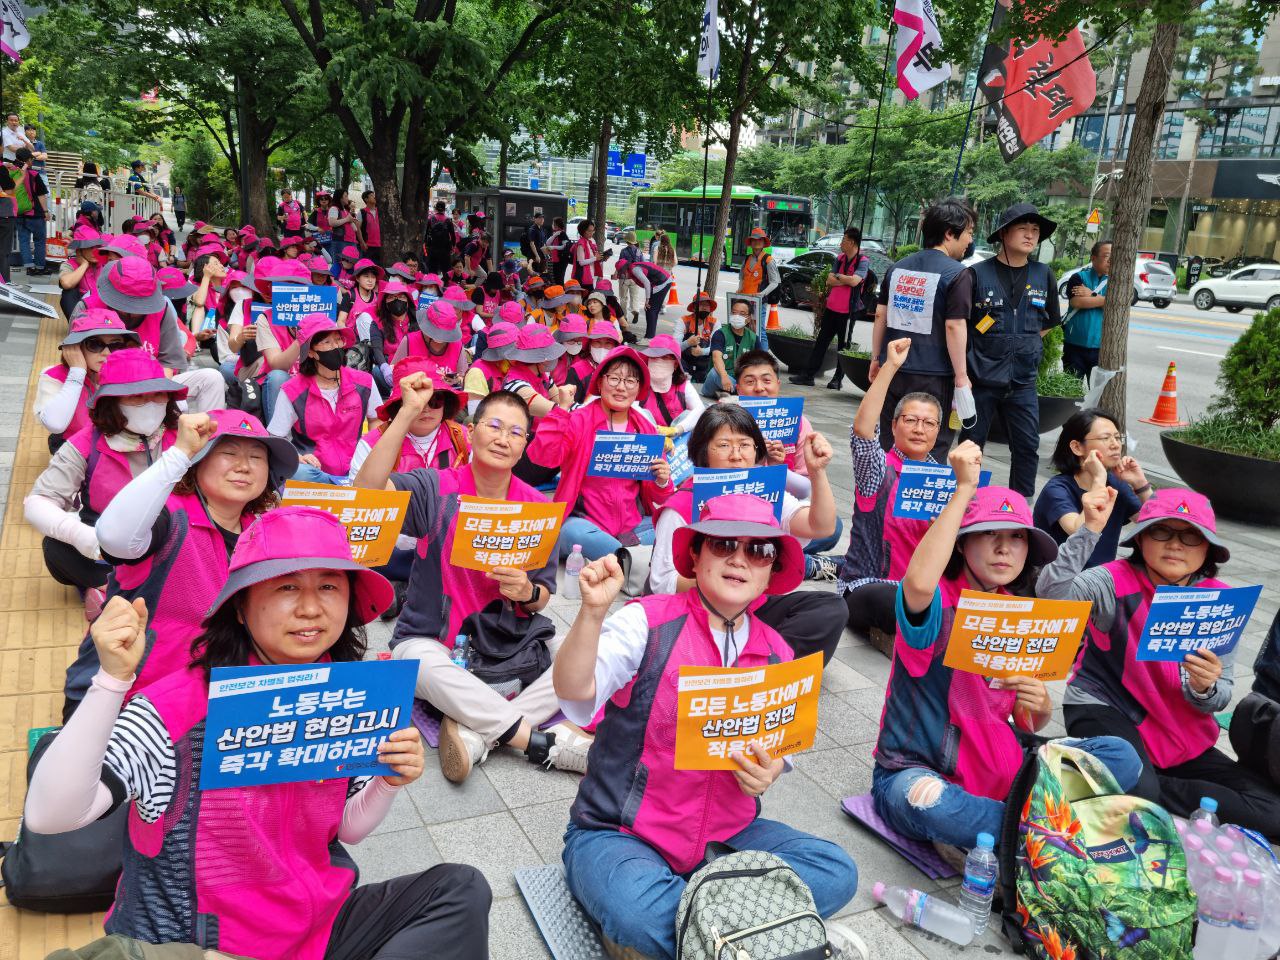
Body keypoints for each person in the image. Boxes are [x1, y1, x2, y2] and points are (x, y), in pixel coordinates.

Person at [25, 506, 492, 960]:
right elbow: (52, 816)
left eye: (329, 585)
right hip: (199, 947)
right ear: (241, 608)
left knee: (460, 889)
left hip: (312, 928)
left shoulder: (347, 694)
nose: (311, 607)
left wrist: (387, 782)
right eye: (287, 586)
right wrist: (111, 682)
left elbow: (346, 830)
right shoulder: (178, 709)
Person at [554, 494, 860, 960]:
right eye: (723, 544)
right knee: (638, 911)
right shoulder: (647, 623)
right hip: (620, 834)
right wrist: (592, 613)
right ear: (695, 555)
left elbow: (780, 748)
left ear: (771, 571)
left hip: (727, 840)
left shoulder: (778, 650)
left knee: (837, 871)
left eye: (759, 550)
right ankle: (760, 934)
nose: (740, 559)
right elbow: (575, 694)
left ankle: (703, 936)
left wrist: (770, 771)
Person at [871, 441, 1143, 850]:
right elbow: (918, 582)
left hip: (1009, 770)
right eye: (989, 535)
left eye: (1016, 537)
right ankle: (1055, 833)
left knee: (1122, 756)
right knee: (934, 807)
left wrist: (1038, 703)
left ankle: (1028, 829)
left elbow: (1027, 717)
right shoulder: (939, 601)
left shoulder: (1020, 613)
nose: (1004, 547)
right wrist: (963, 489)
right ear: (962, 543)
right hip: (917, 771)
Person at [353, 383, 591, 783]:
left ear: (525, 446)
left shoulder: (538, 506)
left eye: (516, 433)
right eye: (494, 426)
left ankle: (477, 735)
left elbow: (543, 595)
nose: (503, 439)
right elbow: (366, 493)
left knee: (581, 664)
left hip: (508, 640)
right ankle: (538, 743)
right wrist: (408, 412)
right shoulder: (435, 487)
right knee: (414, 663)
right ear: (472, 430)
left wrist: (526, 593)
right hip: (436, 641)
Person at [1038, 487, 1280, 839]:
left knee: (1273, 813)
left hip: (1180, 733)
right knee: (1142, 790)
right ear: (1141, 538)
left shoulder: (1221, 601)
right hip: (1106, 708)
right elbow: (1051, 596)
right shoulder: (1113, 579)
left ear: (1209, 548)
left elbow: (1220, 696)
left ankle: (1126, 784)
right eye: (1161, 531)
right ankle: (1134, 785)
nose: (1175, 544)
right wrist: (1088, 530)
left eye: (1191, 536)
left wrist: (1204, 687)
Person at [61, 409, 297, 716]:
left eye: (257, 457)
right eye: (228, 452)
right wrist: (179, 453)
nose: (244, 466)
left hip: (212, 698)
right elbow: (114, 537)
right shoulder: (169, 516)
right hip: (129, 702)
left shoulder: (263, 532)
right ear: (197, 461)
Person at [650, 405, 848, 664]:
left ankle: (759, 668)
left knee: (830, 609)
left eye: (745, 445)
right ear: (702, 453)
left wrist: (817, 472)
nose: (736, 456)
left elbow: (820, 527)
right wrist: (726, 581)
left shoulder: (763, 494)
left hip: (752, 606)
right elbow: (661, 584)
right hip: (699, 612)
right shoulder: (681, 506)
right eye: (723, 445)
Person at [24, 347, 184, 621]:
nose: (150, 402)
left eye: (157, 393)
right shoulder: (86, 443)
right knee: (56, 548)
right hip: (107, 545)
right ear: (112, 401)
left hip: (172, 536)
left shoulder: (183, 436)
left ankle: (110, 590)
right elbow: (38, 502)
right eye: (136, 396)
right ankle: (124, 587)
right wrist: (83, 537)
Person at [836, 338, 941, 645]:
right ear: (894, 426)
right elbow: (864, 431)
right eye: (910, 420)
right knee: (894, 598)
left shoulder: (945, 483)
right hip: (872, 588)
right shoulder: (879, 470)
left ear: (938, 431)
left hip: (925, 590)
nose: (919, 428)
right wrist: (890, 367)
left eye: (928, 423)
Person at [526, 346, 672, 560]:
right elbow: (543, 456)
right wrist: (561, 411)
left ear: (639, 387)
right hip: (584, 524)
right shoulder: (579, 420)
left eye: (630, 381)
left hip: (632, 527)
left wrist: (662, 480)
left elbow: (661, 495)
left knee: (674, 523)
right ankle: (630, 559)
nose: (621, 388)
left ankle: (619, 558)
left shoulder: (645, 429)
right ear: (601, 381)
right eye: (614, 379)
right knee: (573, 534)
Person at [959, 202, 1061, 497]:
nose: (1030, 236)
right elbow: (960, 324)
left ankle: (1020, 508)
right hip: (982, 377)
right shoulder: (977, 274)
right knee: (971, 443)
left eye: (1035, 230)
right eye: (1023, 229)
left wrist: (1025, 342)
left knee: (1028, 444)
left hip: (1023, 380)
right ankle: (965, 502)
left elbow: (1049, 322)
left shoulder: (1044, 274)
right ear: (1004, 234)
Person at [870, 196, 975, 462]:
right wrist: (961, 376)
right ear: (950, 233)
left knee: (890, 435)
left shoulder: (897, 268)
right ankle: (917, 498)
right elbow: (954, 325)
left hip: (893, 368)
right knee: (930, 442)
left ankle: (886, 493)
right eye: (969, 233)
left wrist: (875, 358)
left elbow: (880, 314)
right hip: (933, 375)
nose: (970, 242)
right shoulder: (957, 274)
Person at [269, 314, 383, 485]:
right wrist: (298, 457)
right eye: (327, 342)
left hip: (357, 468)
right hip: (315, 473)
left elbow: (376, 419)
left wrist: (370, 451)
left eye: (338, 340)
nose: (335, 346)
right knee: (298, 472)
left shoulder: (364, 382)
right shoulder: (293, 390)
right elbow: (277, 439)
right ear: (312, 352)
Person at [1033, 408, 1153, 568]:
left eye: (1118, 438)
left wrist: (1140, 484)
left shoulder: (1116, 484)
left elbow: (1155, 523)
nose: (1115, 445)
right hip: (1057, 581)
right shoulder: (1057, 489)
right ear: (1077, 447)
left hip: (1099, 581)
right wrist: (1099, 478)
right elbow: (1078, 531)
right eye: (1105, 438)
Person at [36, 309, 140, 451]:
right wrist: (76, 373)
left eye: (115, 345)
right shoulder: (53, 375)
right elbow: (55, 424)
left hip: (115, 446)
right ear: (76, 347)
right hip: (72, 448)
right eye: (95, 344)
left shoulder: (128, 373)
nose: (106, 353)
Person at [791, 227, 871, 389]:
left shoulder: (862, 261)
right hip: (832, 307)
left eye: (844, 240)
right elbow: (829, 280)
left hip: (848, 310)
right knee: (821, 342)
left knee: (843, 346)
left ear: (852, 242)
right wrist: (846, 279)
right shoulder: (840, 258)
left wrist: (840, 278)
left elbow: (856, 281)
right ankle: (808, 375)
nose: (841, 243)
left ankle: (837, 380)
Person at [1063, 240, 1111, 380]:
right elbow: (1077, 302)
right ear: (1093, 258)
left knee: (1098, 394)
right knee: (1070, 390)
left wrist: (1091, 294)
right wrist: (1105, 300)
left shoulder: (1117, 282)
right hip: (1074, 345)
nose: (1111, 260)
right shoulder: (1078, 277)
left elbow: (1117, 306)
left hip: (1102, 348)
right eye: (1107, 255)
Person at [394, 298, 468, 385]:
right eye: (437, 331)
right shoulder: (409, 341)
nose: (440, 336)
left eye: (445, 332)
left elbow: (464, 378)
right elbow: (395, 374)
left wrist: (457, 380)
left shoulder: (456, 344)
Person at [638, 335, 702, 435]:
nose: (658, 362)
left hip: (676, 440)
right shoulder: (639, 384)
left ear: (675, 364)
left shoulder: (684, 386)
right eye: (654, 357)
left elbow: (699, 409)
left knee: (689, 415)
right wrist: (654, 430)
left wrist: (677, 429)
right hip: (647, 437)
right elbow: (632, 408)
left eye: (664, 357)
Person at [701, 298, 756, 398]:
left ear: (748, 318)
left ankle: (730, 394)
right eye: (734, 313)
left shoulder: (753, 338)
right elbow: (716, 358)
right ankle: (739, 394)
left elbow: (762, 362)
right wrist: (724, 376)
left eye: (742, 314)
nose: (737, 316)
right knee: (714, 373)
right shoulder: (721, 334)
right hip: (720, 378)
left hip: (740, 381)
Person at [616, 246, 673, 341]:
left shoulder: (634, 269)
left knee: (651, 309)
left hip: (662, 282)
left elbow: (646, 283)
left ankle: (649, 338)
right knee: (651, 310)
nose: (622, 275)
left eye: (622, 273)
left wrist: (647, 300)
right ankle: (649, 336)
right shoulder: (632, 269)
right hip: (662, 282)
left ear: (625, 269)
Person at [735, 227, 779, 351]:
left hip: (759, 301)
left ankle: (764, 358)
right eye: (754, 240)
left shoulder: (768, 260)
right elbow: (742, 278)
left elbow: (775, 282)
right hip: (744, 300)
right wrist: (739, 289)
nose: (756, 242)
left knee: (760, 331)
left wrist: (761, 294)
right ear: (751, 243)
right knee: (746, 329)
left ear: (764, 243)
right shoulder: (747, 258)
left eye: (760, 240)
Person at [14, 147, 51, 275]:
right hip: (34, 213)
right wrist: (46, 211)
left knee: (23, 240)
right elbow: (41, 195)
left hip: (18, 212)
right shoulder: (34, 174)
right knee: (39, 240)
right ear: (28, 160)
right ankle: (40, 267)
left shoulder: (10, 172)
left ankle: (29, 267)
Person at [338, 258, 384, 339]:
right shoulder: (350, 296)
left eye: (373, 277)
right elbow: (341, 321)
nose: (370, 280)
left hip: (374, 338)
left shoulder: (378, 297)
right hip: (354, 339)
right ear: (357, 278)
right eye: (366, 276)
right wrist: (349, 339)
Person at [424, 200, 457, 274]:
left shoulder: (431, 219)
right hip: (445, 250)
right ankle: (445, 284)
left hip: (433, 248)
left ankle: (433, 284)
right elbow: (453, 236)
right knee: (446, 271)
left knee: (432, 270)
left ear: (436, 208)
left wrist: (426, 245)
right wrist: (453, 246)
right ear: (444, 209)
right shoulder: (448, 220)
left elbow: (425, 234)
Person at [570, 219, 604, 287]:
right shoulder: (581, 244)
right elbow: (581, 262)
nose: (591, 233)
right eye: (589, 231)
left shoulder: (591, 241)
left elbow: (594, 258)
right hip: (583, 277)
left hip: (590, 275)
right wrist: (595, 258)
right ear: (583, 231)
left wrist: (602, 257)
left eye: (593, 230)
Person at [360, 189, 382, 265]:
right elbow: (358, 229)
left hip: (380, 245)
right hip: (368, 246)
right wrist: (362, 242)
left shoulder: (381, 211)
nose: (374, 197)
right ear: (366, 199)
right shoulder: (362, 212)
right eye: (372, 195)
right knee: (368, 265)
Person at [546, 216, 570, 285]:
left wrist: (553, 247)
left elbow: (565, 246)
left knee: (559, 279)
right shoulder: (555, 233)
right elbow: (547, 243)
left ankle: (561, 293)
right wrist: (554, 235)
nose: (552, 225)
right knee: (556, 278)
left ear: (557, 225)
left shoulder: (562, 234)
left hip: (561, 260)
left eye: (553, 224)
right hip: (555, 260)